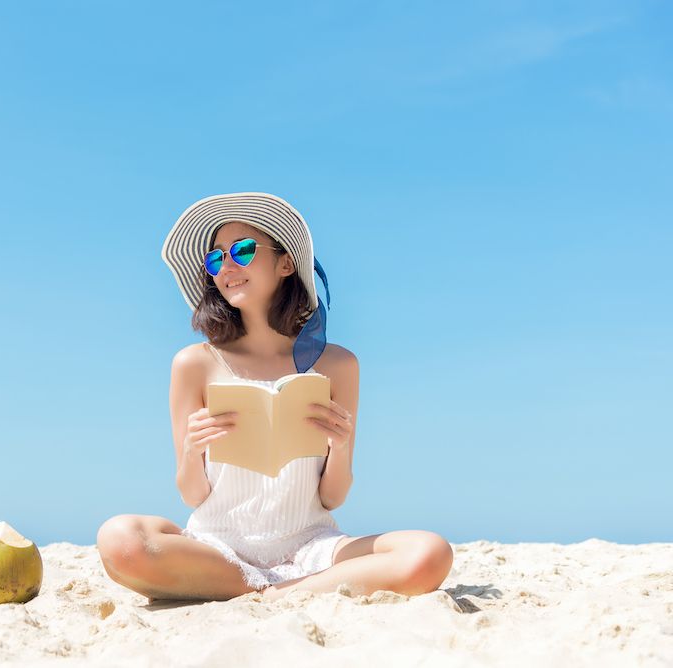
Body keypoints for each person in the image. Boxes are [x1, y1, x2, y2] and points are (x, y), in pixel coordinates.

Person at [96, 192, 453, 603]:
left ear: (286, 264)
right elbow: (192, 495)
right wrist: (193, 450)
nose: (226, 266)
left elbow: (333, 497)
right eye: (215, 260)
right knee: (119, 539)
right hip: (218, 548)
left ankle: (273, 593)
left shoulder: (337, 365)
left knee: (430, 552)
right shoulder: (193, 364)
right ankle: (263, 588)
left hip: (311, 545)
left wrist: (338, 446)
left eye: (242, 251)